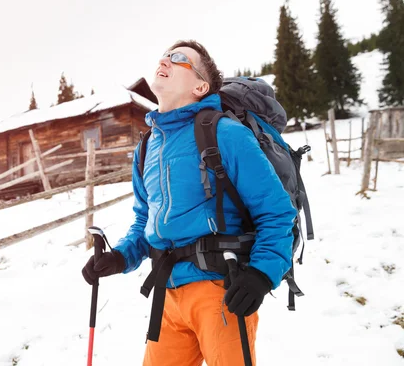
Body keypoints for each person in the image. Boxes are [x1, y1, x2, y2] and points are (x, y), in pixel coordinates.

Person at [81, 40, 297, 366]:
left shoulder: (225, 134)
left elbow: (277, 213)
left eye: (179, 59)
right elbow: (145, 220)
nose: (165, 61)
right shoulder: (146, 148)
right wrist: (119, 258)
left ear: (201, 85)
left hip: (219, 290)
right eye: (165, 55)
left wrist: (261, 275)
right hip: (167, 295)